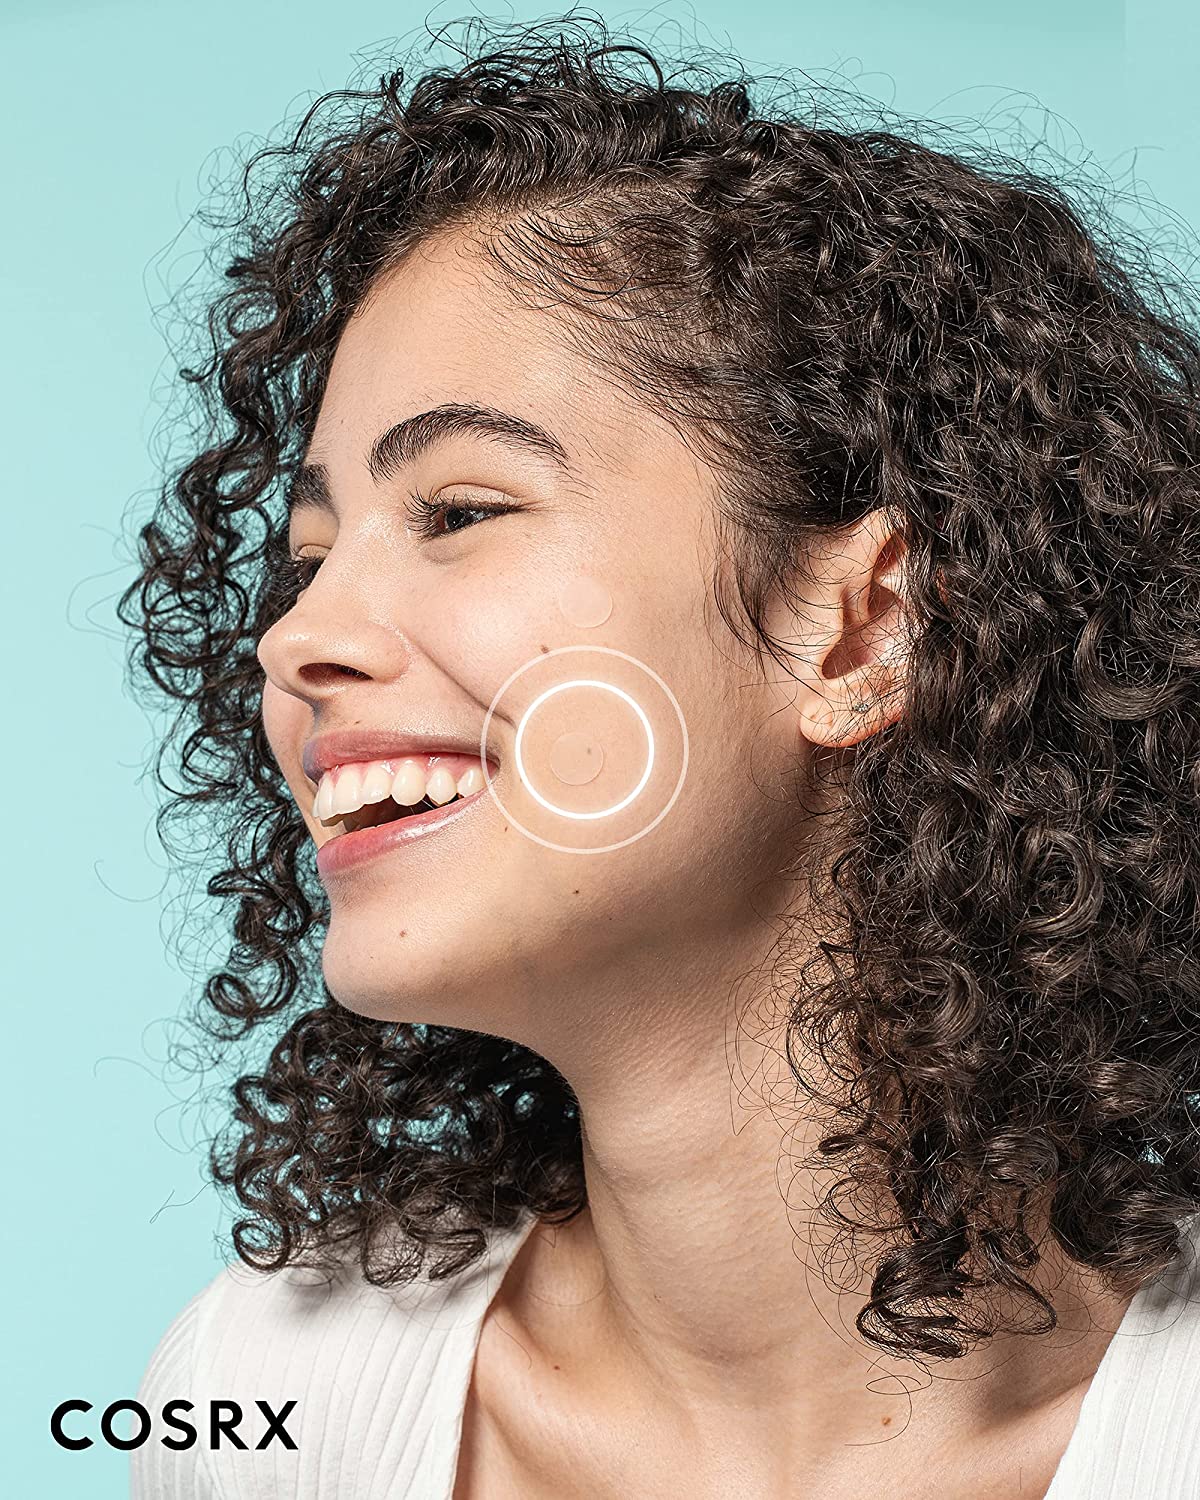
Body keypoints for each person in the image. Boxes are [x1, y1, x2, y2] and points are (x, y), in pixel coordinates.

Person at [125, 12, 1200, 1498]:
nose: (296, 639)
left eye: (460, 512)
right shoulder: (260, 1399)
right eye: (309, 556)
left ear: (859, 630)